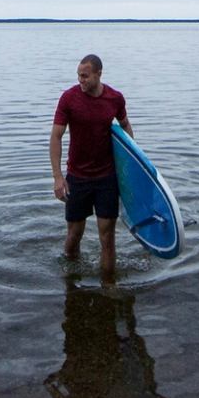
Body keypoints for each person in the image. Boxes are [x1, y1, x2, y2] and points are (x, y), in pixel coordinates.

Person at [50, 53, 128, 278]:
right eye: (78, 76)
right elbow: (56, 137)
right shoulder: (69, 98)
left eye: (85, 76)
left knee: (107, 237)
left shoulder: (115, 98)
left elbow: (125, 128)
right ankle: (70, 282)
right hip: (78, 177)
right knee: (74, 235)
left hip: (106, 178)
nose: (80, 80)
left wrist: (129, 169)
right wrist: (58, 177)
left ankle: (109, 286)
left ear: (98, 74)